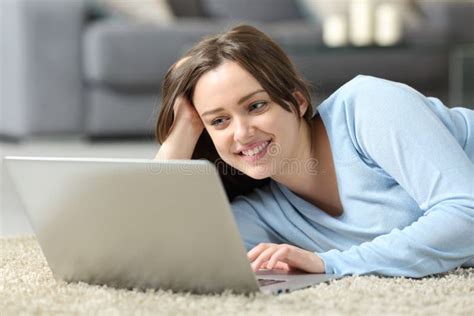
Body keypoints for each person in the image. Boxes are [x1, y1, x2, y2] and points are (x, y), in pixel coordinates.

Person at [154, 25, 474, 277]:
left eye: (256, 105)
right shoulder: (265, 212)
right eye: (219, 120)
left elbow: (466, 214)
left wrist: (329, 263)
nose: (242, 133)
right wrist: (181, 133)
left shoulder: (368, 106)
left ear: (297, 101)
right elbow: (162, 254)